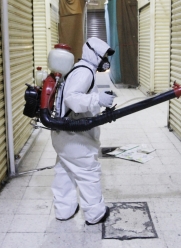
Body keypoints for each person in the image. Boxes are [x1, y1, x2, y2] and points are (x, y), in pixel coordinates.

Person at [51, 37, 115, 225]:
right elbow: (72, 99)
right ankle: (95, 214)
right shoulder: (85, 71)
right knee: (88, 171)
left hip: (63, 135)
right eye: (103, 56)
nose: (105, 60)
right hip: (73, 137)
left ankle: (64, 210)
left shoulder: (80, 68)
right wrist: (97, 99)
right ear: (93, 54)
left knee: (65, 170)